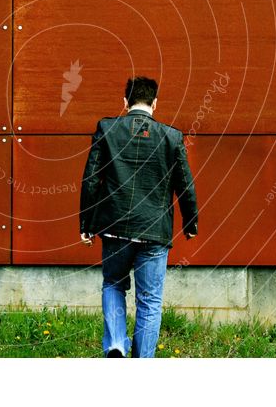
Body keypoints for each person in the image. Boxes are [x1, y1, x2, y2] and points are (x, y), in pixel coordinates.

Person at [79, 75, 198, 358]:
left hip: (114, 227)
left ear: (125, 102)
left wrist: (86, 223)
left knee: (113, 284)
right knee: (150, 301)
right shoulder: (171, 137)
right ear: (155, 103)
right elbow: (185, 185)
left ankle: (117, 343)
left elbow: (91, 180)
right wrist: (190, 223)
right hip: (155, 232)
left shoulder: (107, 129)